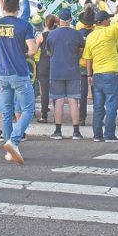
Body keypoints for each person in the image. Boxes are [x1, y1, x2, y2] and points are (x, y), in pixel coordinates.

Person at [0, 0, 37, 164]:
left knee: (5, 111)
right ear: (18, 8)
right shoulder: (24, 25)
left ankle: (9, 147)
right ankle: (13, 141)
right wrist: (25, 53)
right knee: (28, 109)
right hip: (19, 72)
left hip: (0, 73)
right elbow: (32, 49)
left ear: (3, 7)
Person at [83, 0, 118, 143]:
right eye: (109, 20)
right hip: (111, 74)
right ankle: (109, 134)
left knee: (98, 106)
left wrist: (89, 75)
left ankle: (97, 134)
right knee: (111, 105)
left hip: (97, 75)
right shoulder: (109, 31)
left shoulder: (90, 36)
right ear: (104, 21)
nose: (110, 22)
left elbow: (88, 58)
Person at [45, 9, 85, 140]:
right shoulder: (76, 34)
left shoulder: (51, 34)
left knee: (59, 101)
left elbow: (48, 52)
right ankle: (76, 131)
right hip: (73, 71)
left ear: (59, 20)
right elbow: (82, 49)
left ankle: (58, 131)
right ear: (70, 20)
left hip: (56, 71)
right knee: (73, 101)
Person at [34, 14, 58, 124]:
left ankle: (44, 116)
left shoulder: (41, 35)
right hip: (56, 64)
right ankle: (57, 116)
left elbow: (34, 50)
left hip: (43, 64)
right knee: (56, 92)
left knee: (44, 91)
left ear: (45, 23)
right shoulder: (58, 35)